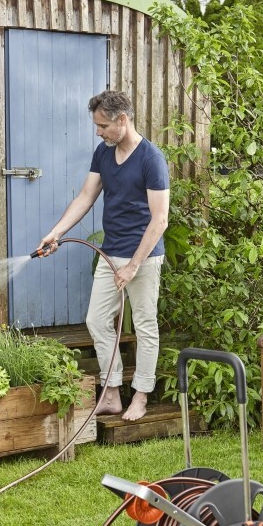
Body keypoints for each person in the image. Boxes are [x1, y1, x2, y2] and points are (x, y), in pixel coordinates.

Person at [39, 90, 170, 421]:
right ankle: (111, 392)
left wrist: (134, 266)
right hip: (111, 252)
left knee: (145, 325)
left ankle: (140, 396)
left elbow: (160, 220)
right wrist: (57, 232)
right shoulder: (104, 153)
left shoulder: (151, 159)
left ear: (122, 120)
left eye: (103, 126)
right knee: (97, 320)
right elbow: (86, 197)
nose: (98, 132)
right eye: (97, 125)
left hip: (143, 256)